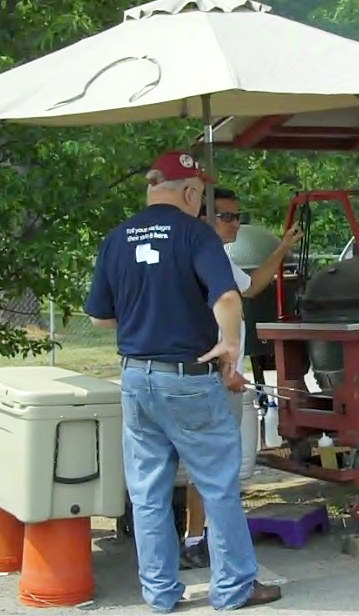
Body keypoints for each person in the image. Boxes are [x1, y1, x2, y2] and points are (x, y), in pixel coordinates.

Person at [84, 151, 281, 612]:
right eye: (201, 193)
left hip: (135, 377)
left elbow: (98, 317)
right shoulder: (195, 234)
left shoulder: (116, 238)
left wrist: (145, 316)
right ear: (190, 192)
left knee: (148, 492)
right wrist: (230, 347)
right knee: (217, 484)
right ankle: (233, 589)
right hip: (188, 377)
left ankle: (160, 594)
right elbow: (230, 297)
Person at [180, 186, 302, 570]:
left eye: (238, 217)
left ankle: (200, 538)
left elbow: (252, 287)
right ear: (204, 217)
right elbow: (201, 321)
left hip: (215, 375)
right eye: (228, 217)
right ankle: (201, 542)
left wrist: (281, 248)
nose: (236, 224)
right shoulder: (200, 257)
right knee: (213, 463)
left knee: (211, 462)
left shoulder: (217, 258)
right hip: (213, 376)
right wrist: (226, 370)